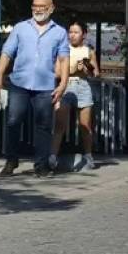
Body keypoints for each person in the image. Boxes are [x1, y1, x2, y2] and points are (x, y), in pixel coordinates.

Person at [0, 0, 69, 178]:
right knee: (13, 121)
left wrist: (63, 85)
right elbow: (6, 53)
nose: (38, 9)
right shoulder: (20, 28)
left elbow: (64, 59)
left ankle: (41, 166)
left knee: (43, 126)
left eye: (42, 6)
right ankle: (11, 160)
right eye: (34, 5)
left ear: (51, 8)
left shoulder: (59, 32)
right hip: (19, 83)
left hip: (45, 86)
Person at [49, 21, 99, 172]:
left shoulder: (89, 51)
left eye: (76, 32)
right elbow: (56, 72)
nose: (72, 35)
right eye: (70, 32)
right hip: (65, 85)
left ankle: (89, 155)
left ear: (83, 34)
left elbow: (96, 73)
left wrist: (87, 69)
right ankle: (52, 157)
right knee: (60, 124)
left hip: (83, 86)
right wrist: (71, 69)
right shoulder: (63, 50)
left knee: (85, 126)